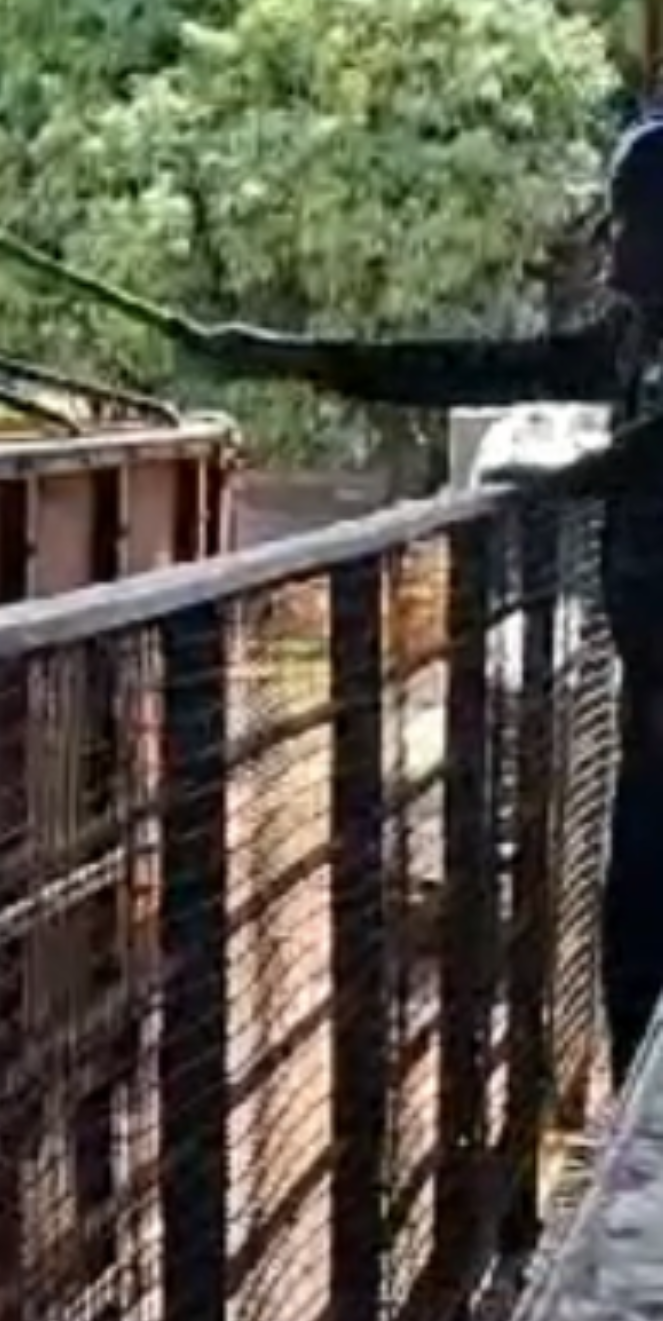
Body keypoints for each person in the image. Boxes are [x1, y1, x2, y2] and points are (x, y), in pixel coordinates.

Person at [170, 114, 663, 1085]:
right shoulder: (632, 339)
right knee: (634, 943)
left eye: (629, 223)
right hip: (651, 703)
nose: (612, 245)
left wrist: (568, 482)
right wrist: (283, 356)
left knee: (644, 931)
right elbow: (468, 367)